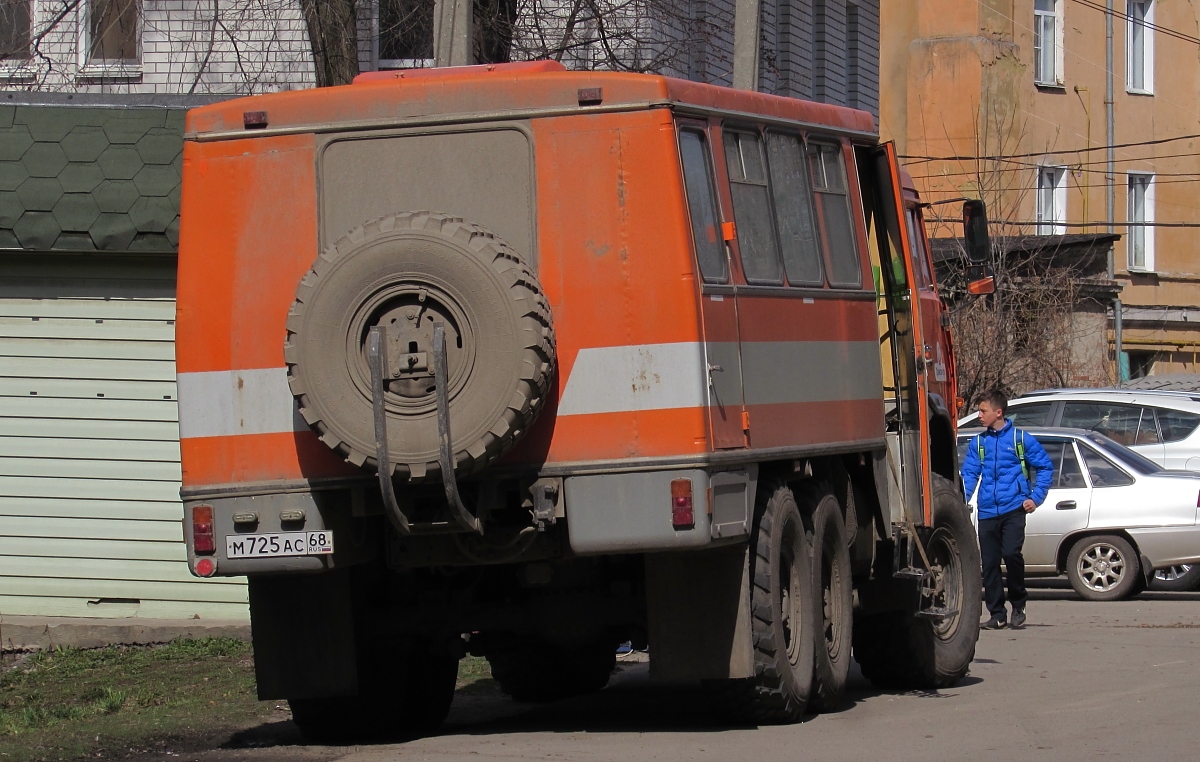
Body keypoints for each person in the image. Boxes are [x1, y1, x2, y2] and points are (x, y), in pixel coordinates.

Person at [961, 389, 1054, 630]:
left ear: (998, 412)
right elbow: (970, 474)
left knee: (1012, 554)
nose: (979, 415)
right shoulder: (979, 443)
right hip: (987, 511)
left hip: (1014, 508)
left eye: (983, 411)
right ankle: (997, 613)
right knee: (989, 563)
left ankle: (1018, 605)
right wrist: (962, 499)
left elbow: (1044, 467)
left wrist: (1035, 498)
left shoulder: (1020, 439)